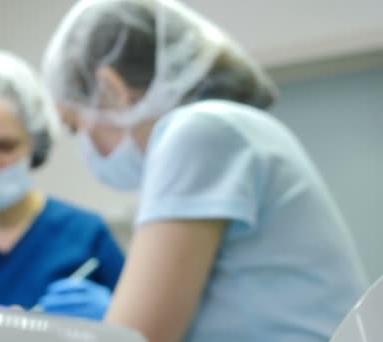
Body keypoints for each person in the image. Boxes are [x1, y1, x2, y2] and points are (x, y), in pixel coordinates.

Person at [41, 0, 367, 340]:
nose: (88, 147)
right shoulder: (229, 127)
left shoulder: (198, 131)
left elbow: (138, 337)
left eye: (76, 125)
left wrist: (98, 322)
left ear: (111, 88)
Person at [0, 50, 125, 321]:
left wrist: (114, 317)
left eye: (5, 146)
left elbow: (146, 326)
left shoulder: (86, 234)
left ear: (34, 142)